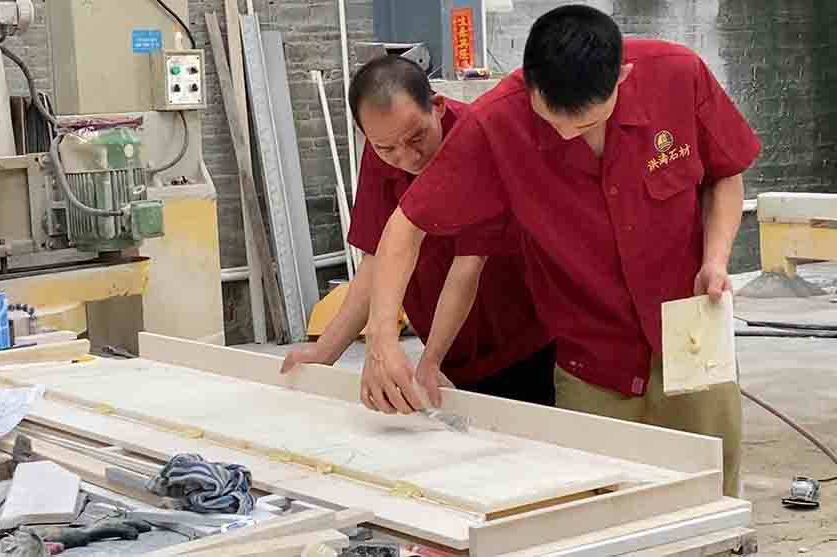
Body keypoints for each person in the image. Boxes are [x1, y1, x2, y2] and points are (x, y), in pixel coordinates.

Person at [361, 6, 759, 497]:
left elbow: (725, 174)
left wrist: (715, 259)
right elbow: (405, 226)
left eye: (589, 121)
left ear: (622, 77)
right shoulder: (495, 124)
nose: (571, 135)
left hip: (692, 329)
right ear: (528, 83)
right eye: (554, 123)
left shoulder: (678, 75)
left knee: (712, 494)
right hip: (591, 356)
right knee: (598, 505)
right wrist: (382, 338)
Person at [281, 55, 556, 407]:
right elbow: (376, 260)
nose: (408, 157)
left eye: (417, 138)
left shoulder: (477, 139)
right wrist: (325, 351)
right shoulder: (384, 146)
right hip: (448, 351)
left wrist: (430, 359)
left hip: (518, 341)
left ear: (437, 106)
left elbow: (467, 267)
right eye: (386, 148)